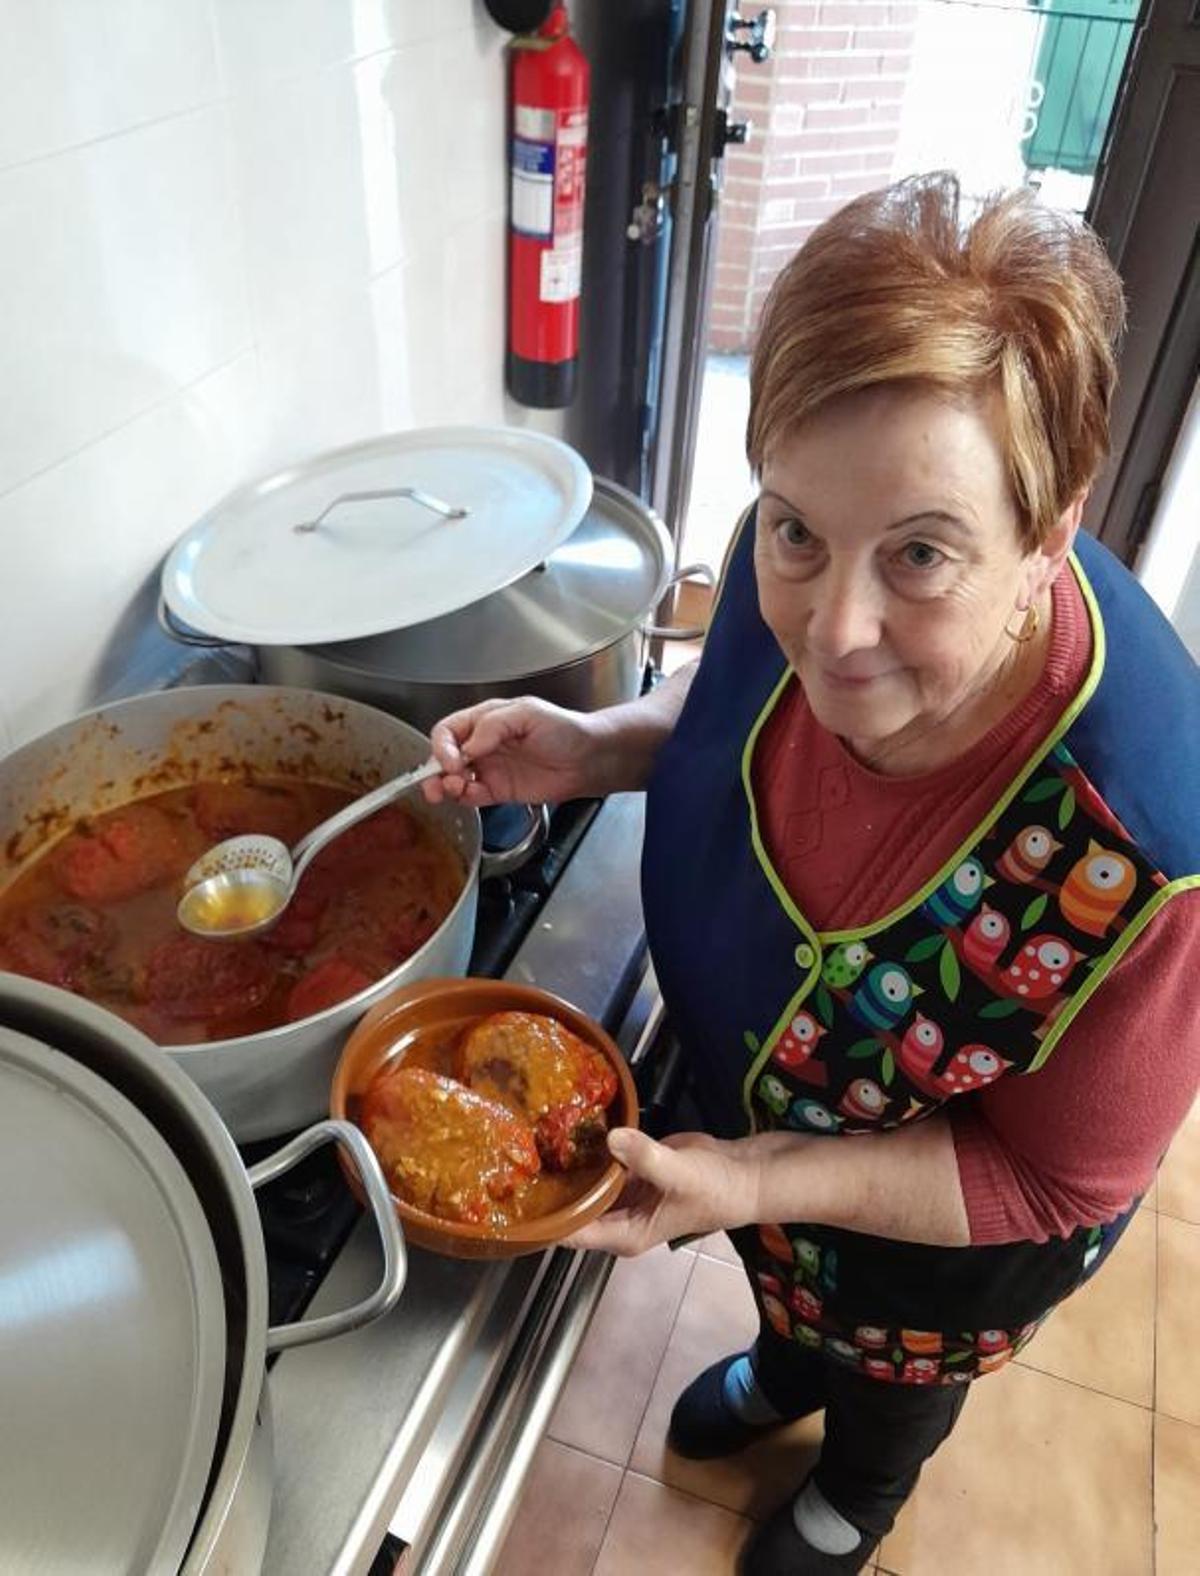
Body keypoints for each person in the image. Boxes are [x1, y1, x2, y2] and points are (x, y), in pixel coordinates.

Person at [424, 173, 1200, 1574]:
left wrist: (765, 1176)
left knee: (894, 1378)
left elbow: (1048, 1182)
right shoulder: (805, 531)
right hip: (759, 1144)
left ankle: (861, 1488)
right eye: (795, 532)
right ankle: (789, 1370)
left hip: (930, 1256)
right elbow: (736, 699)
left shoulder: (1148, 850)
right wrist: (597, 745)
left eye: (920, 555)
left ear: (1050, 530)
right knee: (793, 1313)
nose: (835, 627)